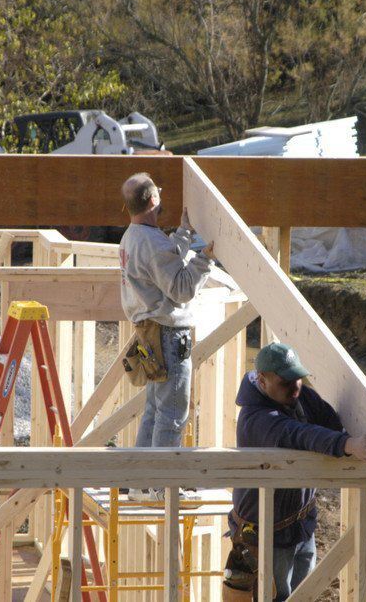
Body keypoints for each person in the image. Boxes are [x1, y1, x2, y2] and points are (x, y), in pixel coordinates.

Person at [225, 343, 366, 600]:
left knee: (305, 595)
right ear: (263, 381)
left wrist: (349, 439)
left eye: (298, 378)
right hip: (267, 535)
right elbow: (299, 433)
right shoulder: (255, 418)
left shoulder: (298, 396)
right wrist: (348, 445)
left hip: (300, 525)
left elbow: (327, 420)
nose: (296, 386)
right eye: (286, 381)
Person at [118, 171, 215, 501]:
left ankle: (139, 485)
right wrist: (206, 260)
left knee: (154, 410)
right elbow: (183, 288)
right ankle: (160, 488)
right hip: (169, 336)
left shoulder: (132, 237)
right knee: (173, 414)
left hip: (149, 333)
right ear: (154, 200)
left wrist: (185, 234)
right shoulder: (154, 243)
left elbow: (164, 259)